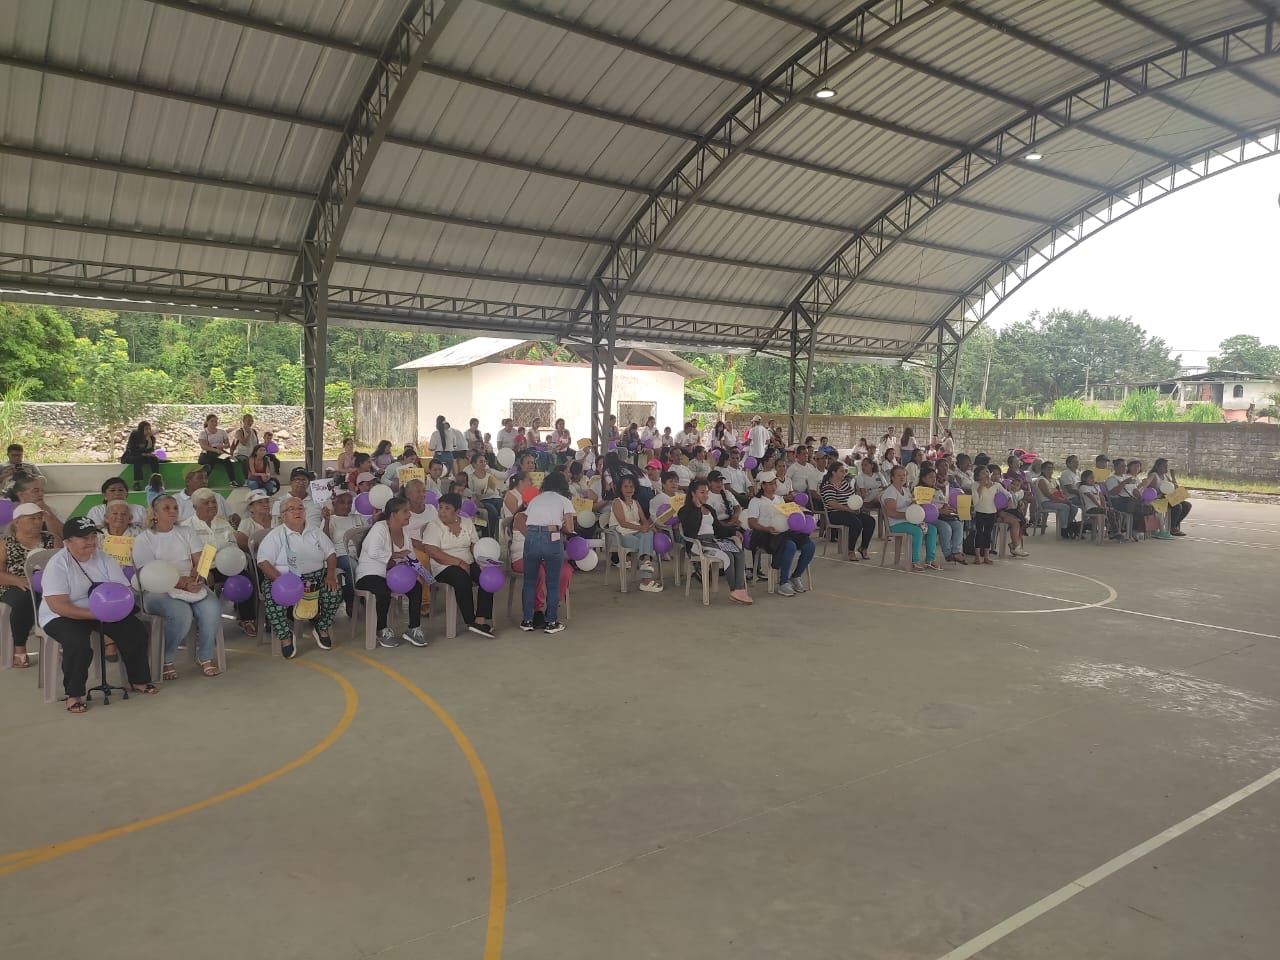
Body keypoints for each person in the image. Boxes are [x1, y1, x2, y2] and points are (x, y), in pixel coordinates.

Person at [39, 516, 157, 711]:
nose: (91, 541)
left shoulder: (104, 557)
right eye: (84, 537)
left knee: (134, 630)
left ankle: (138, 679)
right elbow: (57, 605)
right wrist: (95, 614)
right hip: (62, 615)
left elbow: (122, 588)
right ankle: (74, 694)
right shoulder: (58, 564)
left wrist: (114, 609)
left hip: (103, 610)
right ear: (68, 542)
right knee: (78, 644)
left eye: (93, 536)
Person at [134, 494, 224, 679]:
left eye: (175, 507)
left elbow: (200, 561)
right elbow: (148, 572)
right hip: (157, 589)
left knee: (212, 608)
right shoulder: (144, 538)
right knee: (181, 614)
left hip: (190, 583)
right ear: (155, 514)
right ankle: (165, 659)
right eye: (166, 508)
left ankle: (205, 656)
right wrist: (181, 582)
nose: (173, 511)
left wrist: (196, 578)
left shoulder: (187, 532)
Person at [257, 497, 342, 657]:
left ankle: (322, 627)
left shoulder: (315, 531)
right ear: (283, 515)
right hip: (285, 580)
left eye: (300, 508)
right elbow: (263, 562)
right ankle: (285, 636)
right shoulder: (276, 535)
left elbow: (331, 553)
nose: (297, 511)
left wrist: (330, 575)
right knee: (272, 596)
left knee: (333, 592)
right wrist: (281, 582)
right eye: (292, 509)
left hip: (315, 578)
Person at [355, 495, 427, 647]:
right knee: (383, 591)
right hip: (369, 575)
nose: (410, 514)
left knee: (416, 587)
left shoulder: (404, 532)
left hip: (391, 576)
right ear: (393, 515)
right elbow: (374, 552)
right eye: (405, 511)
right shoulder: (379, 528)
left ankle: (414, 629)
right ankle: (381, 630)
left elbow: (410, 555)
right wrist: (396, 555)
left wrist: (419, 573)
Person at [423, 493, 495, 637]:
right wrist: (459, 563)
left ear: (457, 511)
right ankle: (470, 620)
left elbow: (474, 545)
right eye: (440, 507)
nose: (442, 511)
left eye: (447, 508)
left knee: (488, 576)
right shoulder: (434, 526)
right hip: (443, 566)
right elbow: (433, 552)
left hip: (468, 561)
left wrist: (481, 561)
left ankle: (480, 618)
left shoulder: (467, 522)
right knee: (461, 578)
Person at [518, 472, 575, 633]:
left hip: (532, 537)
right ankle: (551, 622)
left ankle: (527, 620)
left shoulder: (536, 499)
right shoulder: (564, 501)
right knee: (552, 583)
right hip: (552, 538)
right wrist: (559, 525)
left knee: (529, 582)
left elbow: (527, 519)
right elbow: (570, 528)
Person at [2, 503, 58, 667]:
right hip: (14, 584)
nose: (37, 522)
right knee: (25, 598)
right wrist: (17, 580)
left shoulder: (52, 539)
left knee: (61, 596)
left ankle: (60, 642)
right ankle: (20, 646)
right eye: (32, 518)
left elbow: (62, 564)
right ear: (17, 522)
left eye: (40, 518)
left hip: (47, 584)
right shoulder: (6, 543)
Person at [678, 478, 751, 604]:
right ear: (693, 493)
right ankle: (734, 590)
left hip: (713, 540)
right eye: (702, 492)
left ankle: (740, 588)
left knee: (738, 552)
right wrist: (697, 508)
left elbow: (717, 529)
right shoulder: (685, 511)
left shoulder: (709, 508)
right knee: (727, 556)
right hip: (698, 544)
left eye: (707, 492)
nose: (706, 495)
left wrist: (733, 532)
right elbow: (691, 530)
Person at [609, 477, 663, 593]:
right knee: (646, 543)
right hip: (619, 534)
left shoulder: (636, 502)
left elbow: (644, 520)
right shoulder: (617, 502)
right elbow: (622, 523)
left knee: (648, 534)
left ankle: (646, 567)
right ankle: (646, 578)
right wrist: (641, 527)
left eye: (631, 486)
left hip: (634, 531)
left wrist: (649, 526)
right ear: (620, 488)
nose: (629, 489)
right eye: (626, 486)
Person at [883, 465, 939, 571]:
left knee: (932, 529)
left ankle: (930, 559)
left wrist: (917, 504)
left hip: (910, 521)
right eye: (899, 475)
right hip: (896, 524)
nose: (902, 477)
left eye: (904, 475)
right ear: (892, 477)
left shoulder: (906, 490)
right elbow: (891, 513)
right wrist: (909, 515)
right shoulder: (890, 492)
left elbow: (911, 505)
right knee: (917, 531)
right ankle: (914, 561)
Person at [819, 462, 874, 562]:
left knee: (870, 521)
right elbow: (832, 503)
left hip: (848, 511)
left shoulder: (845, 484)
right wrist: (848, 509)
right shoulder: (828, 485)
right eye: (841, 471)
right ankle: (850, 550)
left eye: (844, 471)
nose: (844, 473)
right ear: (833, 473)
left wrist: (856, 507)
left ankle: (863, 547)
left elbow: (852, 497)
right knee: (856, 523)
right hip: (834, 513)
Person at [918, 465, 966, 564]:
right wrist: (940, 511)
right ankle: (948, 554)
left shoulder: (937, 490)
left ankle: (956, 551)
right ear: (923, 478)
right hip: (929, 518)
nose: (933, 479)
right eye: (930, 477)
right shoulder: (920, 490)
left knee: (958, 524)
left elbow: (944, 502)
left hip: (943, 516)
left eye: (934, 477)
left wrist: (949, 508)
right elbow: (923, 508)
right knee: (945, 527)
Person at [1147, 458, 1190, 536]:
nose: (1166, 468)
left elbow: (1173, 487)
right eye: (1164, 466)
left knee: (1187, 505)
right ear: (1157, 467)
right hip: (1158, 499)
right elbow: (1152, 490)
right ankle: (1172, 528)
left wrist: (1174, 479)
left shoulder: (1166, 476)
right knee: (1177, 507)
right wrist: (1162, 493)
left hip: (1167, 498)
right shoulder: (1153, 475)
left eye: (1167, 466)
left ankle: (1175, 525)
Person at [197, 414, 241, 486]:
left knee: (227, 460)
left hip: (219, 453)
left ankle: (232, 480)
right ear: (207, 422)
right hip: (207, 454)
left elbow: (228, 445)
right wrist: (215, 450)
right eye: (212, 421)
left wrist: (222, 446)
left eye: (216, 421)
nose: (214, 423)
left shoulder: (222, 432)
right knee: (210, 461)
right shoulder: (203, 433)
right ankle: (202, 482)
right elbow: (203, 446)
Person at [1035, 462, 1075, 538]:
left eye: (1052, 468)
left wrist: (1065, 498)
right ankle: (1063, 529)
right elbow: (1047, 495)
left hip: (1056, 500)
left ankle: (1068, 525)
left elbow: (1059, 492)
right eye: (1048, 468)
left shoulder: (1054, 480)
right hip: (1046, 502)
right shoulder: (1041, 480)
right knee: (1065, 507)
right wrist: (1062, 500)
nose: (1050, 470)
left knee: (1074, 508)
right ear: (1043, 470)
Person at [466, 452, 504, 531]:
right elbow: (472, 493)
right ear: (474, 464)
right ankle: (491, 534)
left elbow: (502, 478)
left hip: (496, 498)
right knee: (492, 511)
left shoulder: (490, 473)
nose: (483, 463)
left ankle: (502, 533)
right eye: (481, 462)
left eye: (484, 461)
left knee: (504, 509)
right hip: (484, 500)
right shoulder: (471, 477)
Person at [971, 466, 1000, 564]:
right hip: (980, 511)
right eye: (983, 473)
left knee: (988, 533)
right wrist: (981, 486)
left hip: (992, 512)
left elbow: (1005, 494)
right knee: (979, 533)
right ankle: (977, 555)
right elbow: (975, 501)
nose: (986, 474)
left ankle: (986, 555)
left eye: (987, 472)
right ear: (978, 476)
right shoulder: (975, 485)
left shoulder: (996, 485)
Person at [120, 421, 160, 490]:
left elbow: (150, 450)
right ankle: (137, 482)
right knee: (138, 459)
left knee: (154, 459)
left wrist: (149, 441)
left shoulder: (152, 438)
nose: (148, 431)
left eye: (149, 429)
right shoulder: (135, 435)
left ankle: (156, 481)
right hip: (131, 456)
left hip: (143, 456)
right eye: (146, 429)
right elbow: (132, 449)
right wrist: (143, 454)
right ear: (141, 429)